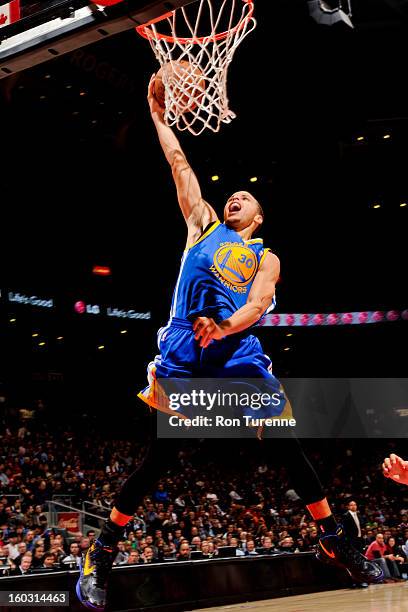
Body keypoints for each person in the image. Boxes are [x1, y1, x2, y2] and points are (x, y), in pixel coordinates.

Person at [76, 76, 383, 611]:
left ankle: (333, 535)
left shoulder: (266, 257)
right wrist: (157, 115)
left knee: (285, 439)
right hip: (185, 353)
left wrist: (225, 327)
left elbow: (258, 304)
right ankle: (102, 551)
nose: (235, 196)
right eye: (232, 194)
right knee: (162, 457)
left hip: (234, 351)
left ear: (258, 218)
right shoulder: (202, 225)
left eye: (246, 197)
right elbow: (179, 164)